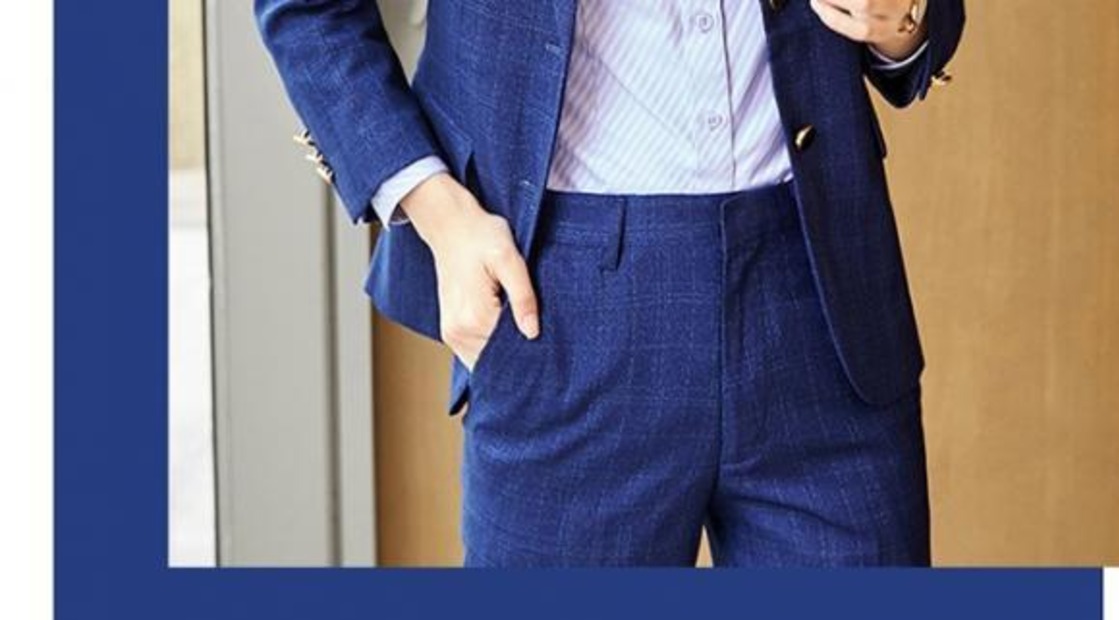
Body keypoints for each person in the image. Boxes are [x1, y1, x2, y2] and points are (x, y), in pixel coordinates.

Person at [252, 4, 964, 578]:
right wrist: (439, 213)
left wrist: (904, 20)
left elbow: (916, 18)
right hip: (560, 302)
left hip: (822, 295)